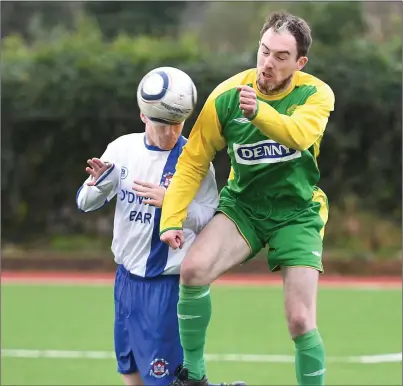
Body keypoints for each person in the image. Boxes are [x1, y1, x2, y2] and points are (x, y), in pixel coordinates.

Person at [160, 11, 335, 386]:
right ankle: (193, 377)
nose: (267, 63)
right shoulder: (226, 96)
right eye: (264, 51)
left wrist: (260, 113)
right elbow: (192, 162)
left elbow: (299, 135)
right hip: (244, 207)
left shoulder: (316, 94)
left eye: (281, 57)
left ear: (300, 63)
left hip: (298, 213)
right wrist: (171, 219)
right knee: (192, 271)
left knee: (301, 320)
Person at [75, 107, 223, 385]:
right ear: (143, 116)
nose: (170, 132)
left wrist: (173, 202)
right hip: (126, 282)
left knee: (165, 380)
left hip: (166, 287)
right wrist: (103, 185)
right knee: (129, 372)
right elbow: (84, 202)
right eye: (161, 124)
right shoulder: (122, 148)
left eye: (176, 124)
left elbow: (210, 219)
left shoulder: (196, 158)